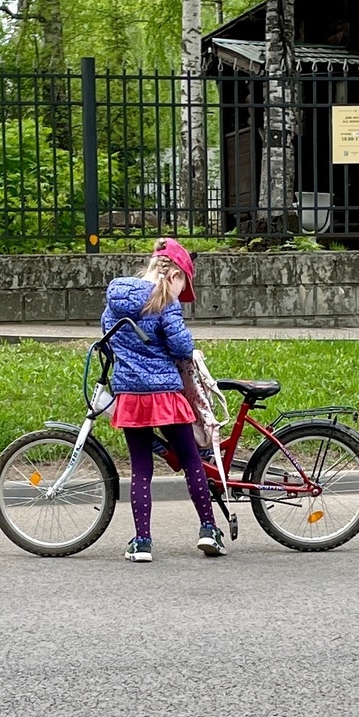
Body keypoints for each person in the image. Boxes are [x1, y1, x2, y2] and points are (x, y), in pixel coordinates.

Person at [101, 238, 228, 563]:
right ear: (173, 275)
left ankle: (142, 542)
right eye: (183, 281)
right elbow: (182, 347)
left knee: (141, 469)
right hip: (166, 394)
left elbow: (107, 335)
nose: (182, 290)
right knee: (190, 462)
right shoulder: (166, 302)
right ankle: (208, 530)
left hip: (131, 394)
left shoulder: (116, 297)